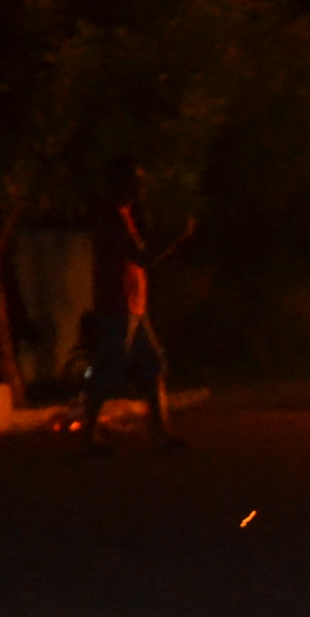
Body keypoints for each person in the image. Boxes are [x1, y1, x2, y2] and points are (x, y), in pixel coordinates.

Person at [76, 158, 188, 450]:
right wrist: (177, 238)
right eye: (135, 181)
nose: (140, 188)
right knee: (108, 372)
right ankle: (89, 436)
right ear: (120, 184)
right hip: (118, 306)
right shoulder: (112, 220)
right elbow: (142, 258)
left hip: (134, 306)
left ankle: (161, 432)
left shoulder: (126, 216)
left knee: (152, 367)